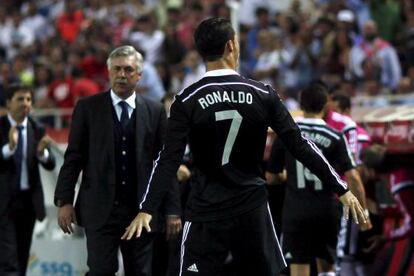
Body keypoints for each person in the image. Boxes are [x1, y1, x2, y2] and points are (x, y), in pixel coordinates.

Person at [122, 18, 368, 276]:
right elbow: (299, 145)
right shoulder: (262, 93)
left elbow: (168, 159)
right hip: (251, 208)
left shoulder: (187, 99)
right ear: (231, 46)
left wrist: (147, 208)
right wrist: (340, 188)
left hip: (206, 210)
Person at [54, 45, 182, 276]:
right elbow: (73, 158)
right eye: (117, 69)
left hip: (141, 212)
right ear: (109, 72)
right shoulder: (87, 108)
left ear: (139, 75)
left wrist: (172, 209)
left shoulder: (154, 111)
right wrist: (64, 200)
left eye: (128, 70)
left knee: (141, 272)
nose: (122, 74)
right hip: (99, 210)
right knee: (101, 271)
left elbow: (163, 165)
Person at [267, 83, 369, 276]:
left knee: (299, 268)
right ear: (325, 106)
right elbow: (353, 176)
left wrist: (287, 176)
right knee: (328, 268)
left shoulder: (287, 134)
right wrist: (363, 214)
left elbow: (271, 177)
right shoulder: (336, 136)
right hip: (327, 210)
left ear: (301, 105)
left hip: (296, 211)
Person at [0, 83, 56, 275]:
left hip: (28, 203)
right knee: (8, 260)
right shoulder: (0, 127)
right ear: (8, 103)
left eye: (29, 99)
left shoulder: (36, 128)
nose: (25, 104)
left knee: (22, 257)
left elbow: (51, 163)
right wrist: (9, 148)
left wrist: (42, 154)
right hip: (3, 202)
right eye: (20, 99)